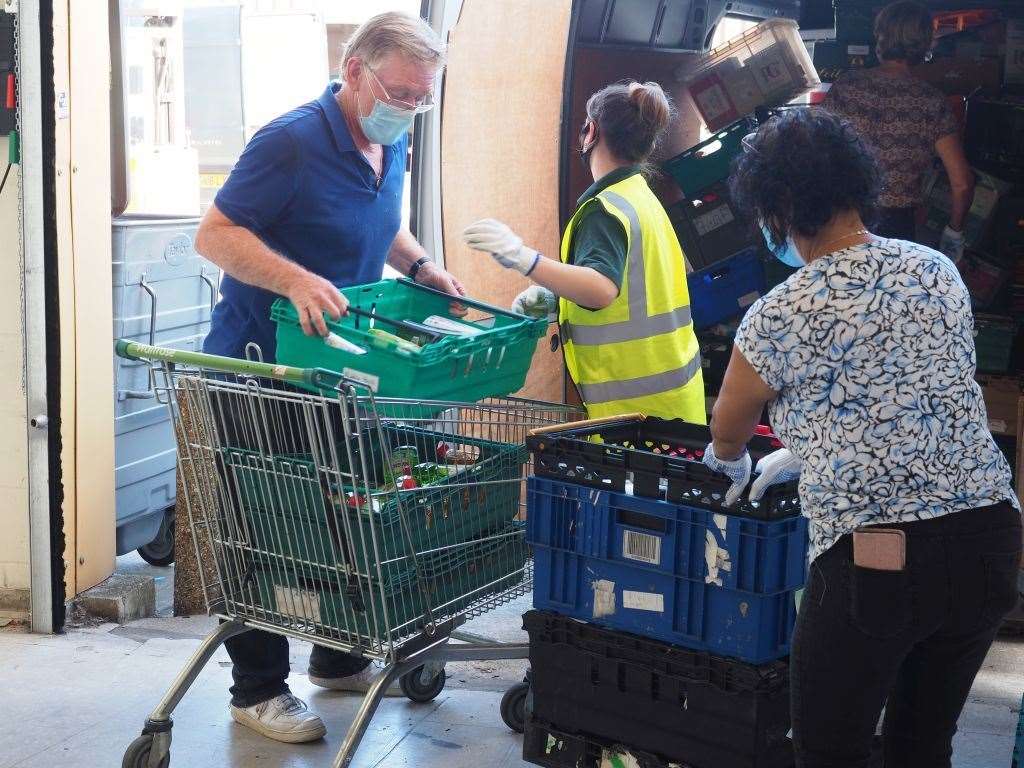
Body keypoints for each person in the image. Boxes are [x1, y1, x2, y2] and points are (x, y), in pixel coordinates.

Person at [701, 108, 1021, 768]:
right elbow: (910, 386)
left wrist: (730, 461)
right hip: (991, 544)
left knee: (829, 749)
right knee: (921, 744)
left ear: (781, 204)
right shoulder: (936, 269)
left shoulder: (778, 313)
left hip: (881, 561)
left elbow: (728, 429)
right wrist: (819, 444)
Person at [193, 12, 465, 744]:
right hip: (263, 367)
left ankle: (337, 655)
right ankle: (256, 688)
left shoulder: (387, 138)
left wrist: (418, 264)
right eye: (400, 93)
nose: (407, 109)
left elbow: (378, 219)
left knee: (344, 512)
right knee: (271, 523)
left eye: (420, 99)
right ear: (354, 72)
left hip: (341, 372)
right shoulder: (290, 142)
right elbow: (214, 233)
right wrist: (295, 281)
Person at [462, 81, 705, 423]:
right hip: (676, 405)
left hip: (635, 419)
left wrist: (524, 259)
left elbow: (602, 288)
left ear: (590, 132)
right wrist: (558, 296)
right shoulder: (640, 197)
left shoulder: (603, 210)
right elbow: (637, 287)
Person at [823, 0, 974, 259]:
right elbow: (962, 184)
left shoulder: (846, 88)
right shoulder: (932, 102)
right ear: (926, 44)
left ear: (880, 37)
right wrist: (954, 233)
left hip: (842, 221)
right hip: (897, 229)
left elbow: (815, 154)